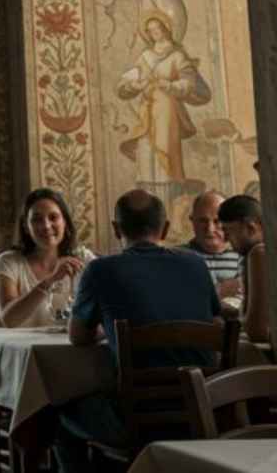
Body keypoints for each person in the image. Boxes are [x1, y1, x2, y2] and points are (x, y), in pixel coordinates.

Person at [53, 190, 220, 473]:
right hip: (204, 410)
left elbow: (78, 337)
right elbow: (215, 322)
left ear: (116, 229)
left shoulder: (100, 270)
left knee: (57, 410)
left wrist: (110, 330)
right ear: (165, 228)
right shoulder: (196, 264)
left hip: (137, 418)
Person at [114, 10, 211, 200]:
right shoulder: (146, 56)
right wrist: (135, 85)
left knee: (165, 154)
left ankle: (167, 199)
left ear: (166, 29)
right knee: (146, 151)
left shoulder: (177, 56)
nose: (155, 33)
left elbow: (188, 83)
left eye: (157, 28)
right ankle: (147, 197)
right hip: (147, 111)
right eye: (150, 30)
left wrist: (168, 85)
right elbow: (126, 81)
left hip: (167, 111)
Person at [0, 187, 95, 327]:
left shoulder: (84, 258)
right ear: (26, 227)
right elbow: (9, 320)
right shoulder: (9, 261)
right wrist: (50, 280)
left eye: (53, 217)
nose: (46, 226)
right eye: (36, 219)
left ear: (65, 222)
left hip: (72, 347)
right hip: (25, 348)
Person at [217, 194, 268, 342]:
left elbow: (257, 331)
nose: (225, 239)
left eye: (228, 231)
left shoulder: (259, 253)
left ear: (251, 227)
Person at [183, 190, 240, 298]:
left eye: (217, 221)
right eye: (203, 221)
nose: (210, 229)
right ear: (192, 221)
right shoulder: (175, 257)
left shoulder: (244, 257)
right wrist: (220, 290)